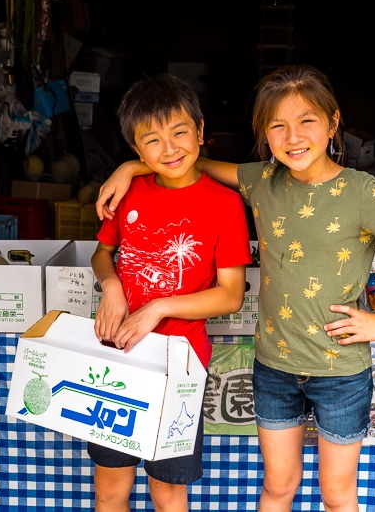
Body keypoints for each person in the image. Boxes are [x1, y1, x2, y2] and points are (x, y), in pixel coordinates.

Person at [95, 65, 375, 512]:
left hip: (340, 372)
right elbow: (184, 161)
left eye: (307, 120)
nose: (293, 137)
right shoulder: (262, 181)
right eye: (277, 126)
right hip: (275, 367)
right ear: (264, 135)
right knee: (277, 488)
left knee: (337, 495)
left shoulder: (362, 191)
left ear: (333, 122)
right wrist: (131, 166)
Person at [89, 72, 252, 512]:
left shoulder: (224, 204)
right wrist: (111, 287)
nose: (170, 148)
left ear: (200, 132)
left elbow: (230, 295)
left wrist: (157, 308)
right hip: (115, 359)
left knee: (167, 489)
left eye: (180, 132)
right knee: (110, 487)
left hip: (178, 367)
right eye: (153, 140)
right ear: (136, 150)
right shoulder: (128, 191)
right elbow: (102, 254)